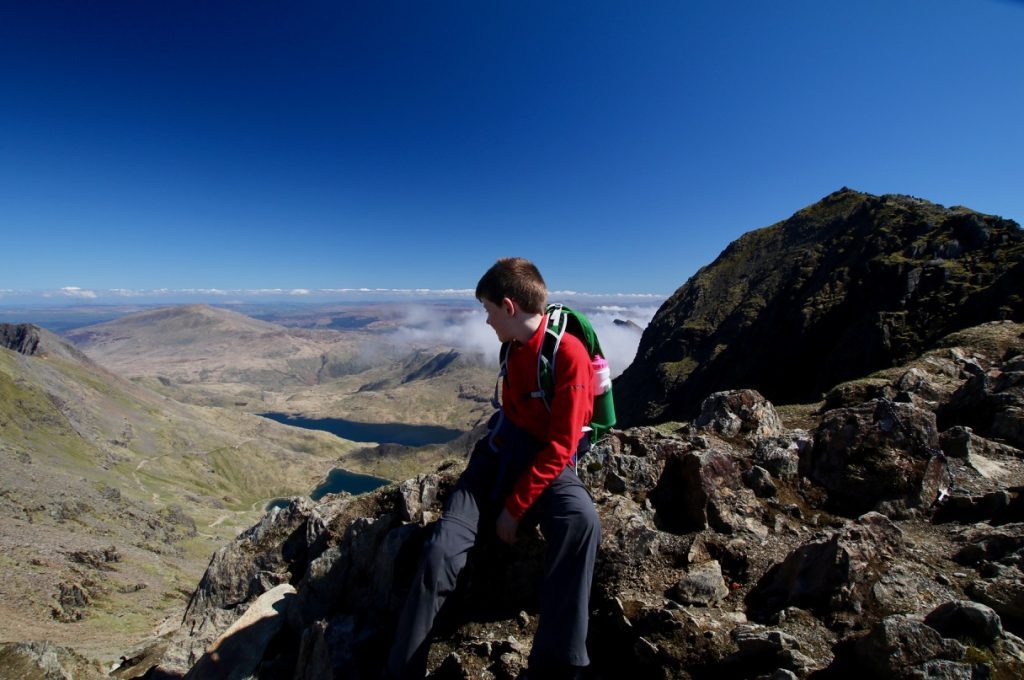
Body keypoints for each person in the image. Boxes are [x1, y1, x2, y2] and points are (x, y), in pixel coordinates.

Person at [387, 257, 602, 679]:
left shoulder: (567, 354)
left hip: (544, 459)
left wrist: (515, 508)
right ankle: (402, 670)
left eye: (487, 311)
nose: (485, 322)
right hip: (498, 452)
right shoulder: (513, 346)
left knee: (583, 521)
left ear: (508, 307)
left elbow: (561, 445)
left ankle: (560, 664)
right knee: (440, 550)